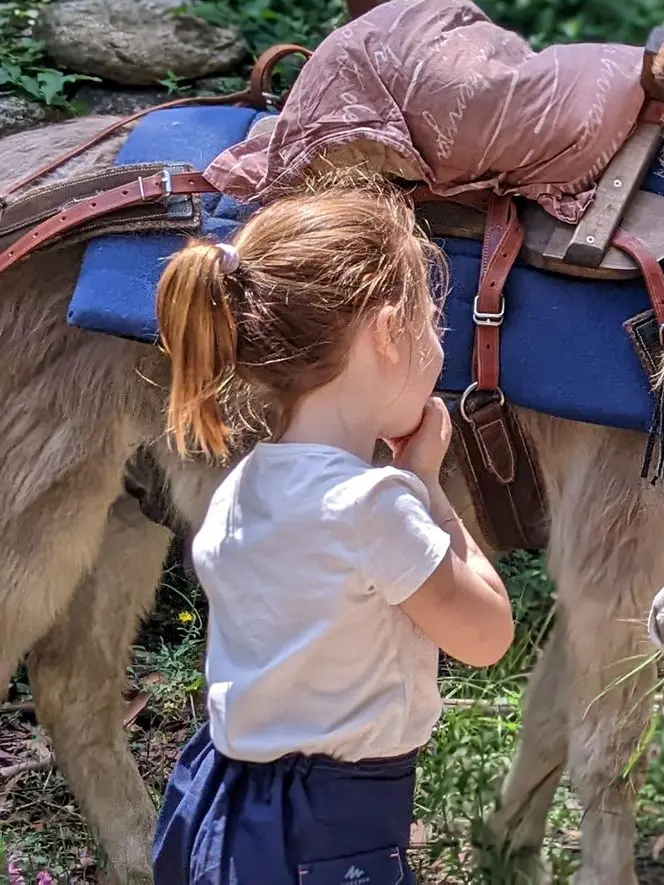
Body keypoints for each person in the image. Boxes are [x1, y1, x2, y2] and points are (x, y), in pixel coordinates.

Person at [148, 183, 516, 884]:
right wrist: (429, 485)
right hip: (330, 835)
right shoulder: (373, 504)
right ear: (385, 333)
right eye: (431, 318)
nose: (440, 342)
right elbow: (488, 632)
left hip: (219, 811)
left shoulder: (242, 489)